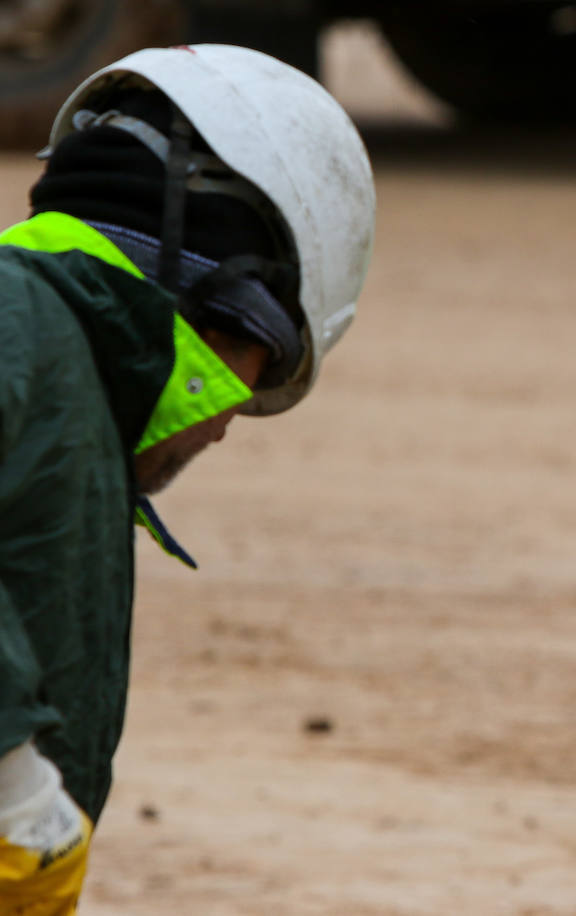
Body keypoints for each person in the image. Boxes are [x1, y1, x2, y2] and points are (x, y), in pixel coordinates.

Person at [0, 44, 375, 912]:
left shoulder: (71, 391)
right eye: (264, 366)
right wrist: (16, 784)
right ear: (228, 303)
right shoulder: (20, 319)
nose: (229, 422)